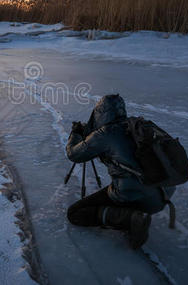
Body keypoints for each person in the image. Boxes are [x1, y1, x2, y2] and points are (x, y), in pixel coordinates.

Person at [65, 94, 175, 248]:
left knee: (75, 213)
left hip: (132, 193)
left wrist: (76, 133)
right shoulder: (137, 126)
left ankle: (131, 219)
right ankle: (137, 213)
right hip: (161, 196)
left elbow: (73, 154)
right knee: (128, 185)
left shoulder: (105, 133)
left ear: (100, 112)